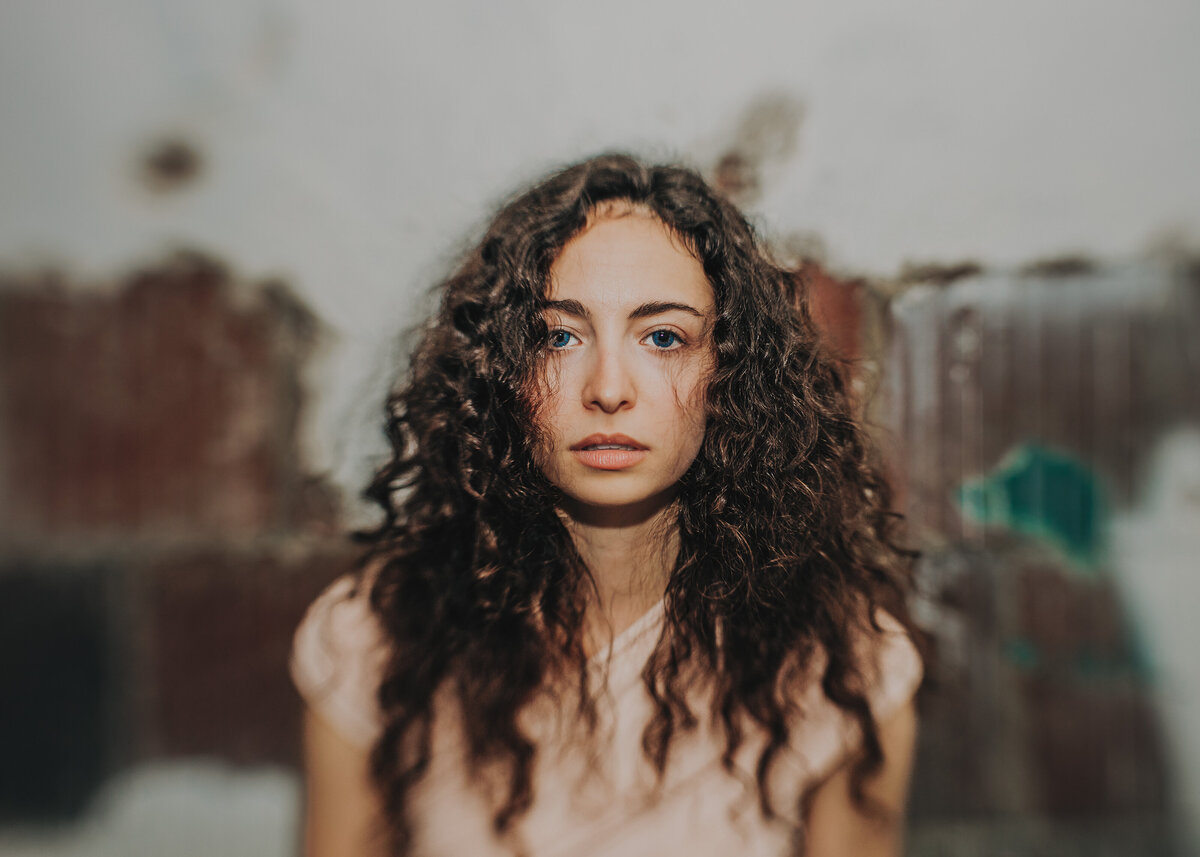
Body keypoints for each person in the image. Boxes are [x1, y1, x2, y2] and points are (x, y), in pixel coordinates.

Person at [290, 153, 924, 857]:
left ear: (729, 372)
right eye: (557, 336)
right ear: (499, 370)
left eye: (663, 337)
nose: (609, 387)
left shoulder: (842, 667)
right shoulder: (377, 639)